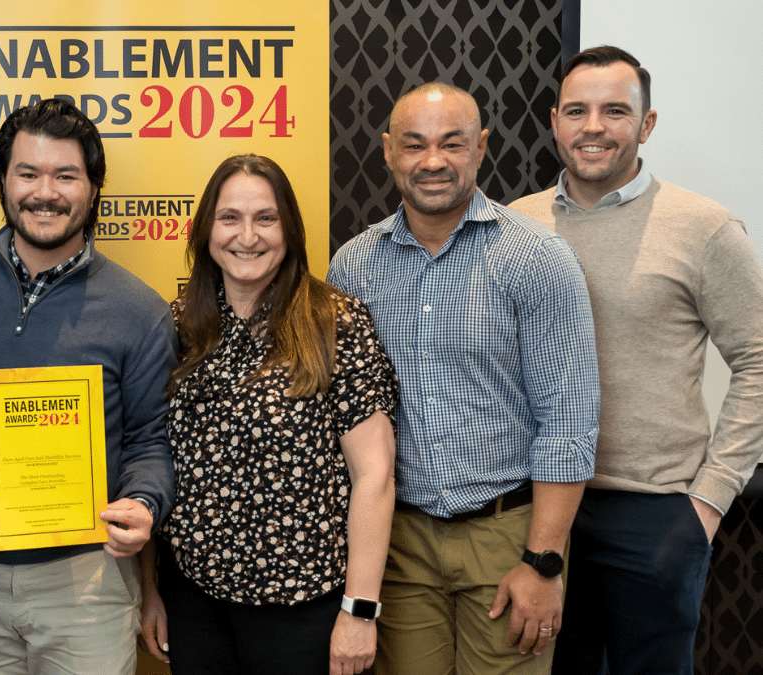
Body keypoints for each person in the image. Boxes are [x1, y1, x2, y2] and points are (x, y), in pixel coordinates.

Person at [327, 83, 600, 675]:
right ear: (387, 151)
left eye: (452, 144)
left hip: (508, 537)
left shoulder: (536, 259)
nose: (432, 161)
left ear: (480, 148)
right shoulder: (352, 266)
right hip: (397, 547)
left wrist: (544, 561)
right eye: (414, 145)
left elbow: (568, 421)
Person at [508, 45, 763, 675]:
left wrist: (706, 501)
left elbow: (759, 361)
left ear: (646, 125)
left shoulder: (703, 227)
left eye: (614, 111)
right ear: (555, 121)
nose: (593, 126)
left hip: (654, 514)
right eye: (577, 110)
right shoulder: (516, 226)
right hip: (535, 512)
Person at [0, 98, 176, 675]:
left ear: (93, 188)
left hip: (85, 581)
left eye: (66, 175)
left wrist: (144, 502)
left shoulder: (139, 309)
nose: (46, 192)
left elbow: (150, 441)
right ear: (3, 181)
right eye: (28, 173)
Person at [138, 154, 399, 675]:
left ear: (290, 229)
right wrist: (149, 590)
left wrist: (360, 611)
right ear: (206, 230)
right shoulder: (176, 325)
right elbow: (151, 461)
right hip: (195, 601)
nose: (247, 236)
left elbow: (375, 474)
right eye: (229, 218)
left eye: (266, 218)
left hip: (304, 608)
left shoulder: (334, 322)